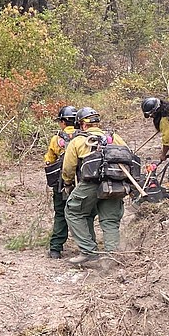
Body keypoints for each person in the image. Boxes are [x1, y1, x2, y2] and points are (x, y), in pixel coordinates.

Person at [61, 107, 127, 268]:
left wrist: (68, 184)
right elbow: (128, 155)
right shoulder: (113, 137)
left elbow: (68, 168)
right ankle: (113, 256)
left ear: (82, 125)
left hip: (89, 184)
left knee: (73, 212)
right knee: (110, 221)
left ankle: (89, 252)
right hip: (114, 184)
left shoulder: (78, 141)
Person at [44, 105, 80, 259]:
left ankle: (56, 249)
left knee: (60, 213)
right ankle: (87, 247)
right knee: (85, 214)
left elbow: (49, 161)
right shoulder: (85, 136)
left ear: (64, 122)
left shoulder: (57, 139)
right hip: (85, 182)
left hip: (62, 182)